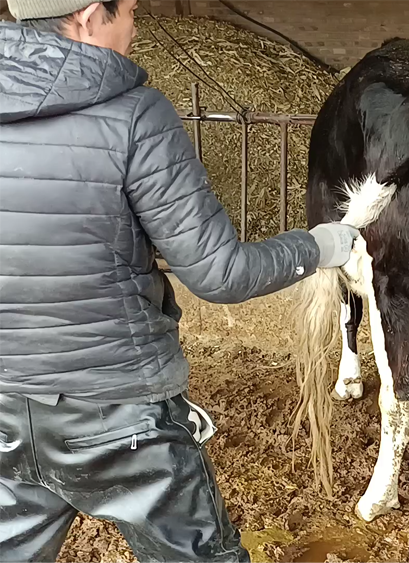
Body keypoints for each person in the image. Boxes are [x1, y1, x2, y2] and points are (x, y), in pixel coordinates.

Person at [0, 2, 359, 562]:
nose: (137, 27)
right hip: (118, 411)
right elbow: (219, 272)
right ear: (92, 16)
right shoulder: (133, 116)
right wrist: (319, 246)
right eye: (133, 11)